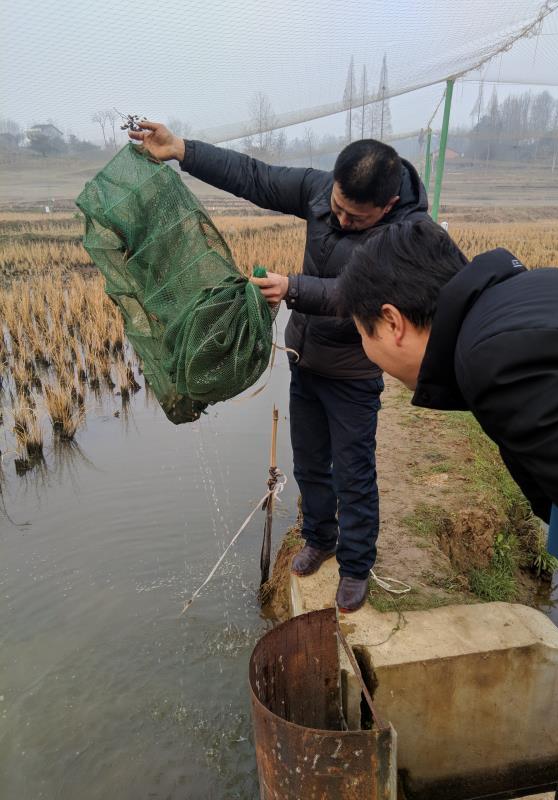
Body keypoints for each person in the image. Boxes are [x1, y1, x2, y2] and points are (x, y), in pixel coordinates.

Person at [337, 218, 558, 800]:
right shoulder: (528, 297)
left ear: (391, 322)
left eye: (364, 335)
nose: (369, 354)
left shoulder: (498, 359)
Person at [127, 121, 429, 612]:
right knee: (309, 460)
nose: (341, 220)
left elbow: (362, 297)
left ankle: (355, 566)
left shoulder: (409, 234)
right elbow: (256, 177)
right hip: (305, 358)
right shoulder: (318, 189)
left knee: (353, 473)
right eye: (336, 208)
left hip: (354, 372)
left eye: (355, 218)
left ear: (387, 206)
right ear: (332, 184)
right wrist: (183, 150)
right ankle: (319, 538)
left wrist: (293, 290)